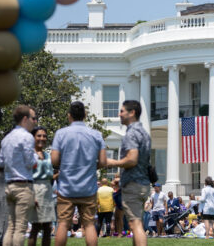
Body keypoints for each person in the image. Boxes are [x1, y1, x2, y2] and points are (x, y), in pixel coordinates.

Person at [51, 101, 107, 246]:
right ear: (85, 115)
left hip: (66, 187)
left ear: (69, 116)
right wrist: (90, 168)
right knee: (89, 225)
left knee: (63, 224)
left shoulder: (61, 133)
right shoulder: (96, 134)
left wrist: (64, 165)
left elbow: (54, 160)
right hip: (88, 187)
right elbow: (102, 161)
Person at [107, 100, 153, 246]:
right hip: (143, 183)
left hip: (133, 184)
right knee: (137, 223)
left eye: (122, 111)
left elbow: (132, 160)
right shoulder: (144, 133)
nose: (119, 114)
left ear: (132, 113)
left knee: (135, 225)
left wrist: (112, 162)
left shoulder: (132, 133)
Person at [0, 105, 38, 246]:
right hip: (23, 185)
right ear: (25, 119)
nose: (35, 122)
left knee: (11, 226)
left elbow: (0, 163)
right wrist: (36, 157)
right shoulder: (27, 137)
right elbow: (30, 162)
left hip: (9, 185)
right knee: (21, 228)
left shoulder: (6, 138)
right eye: (33, 119)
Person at [28, 127, 56, 246]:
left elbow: (49, 176)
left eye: (44, 136)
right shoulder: (29, 154)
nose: (42, 138)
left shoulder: (47, 155)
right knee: (35, 226)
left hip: (47, 190)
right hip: (35, 189)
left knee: (47, 227)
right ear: (33, 137)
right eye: (39, 135)